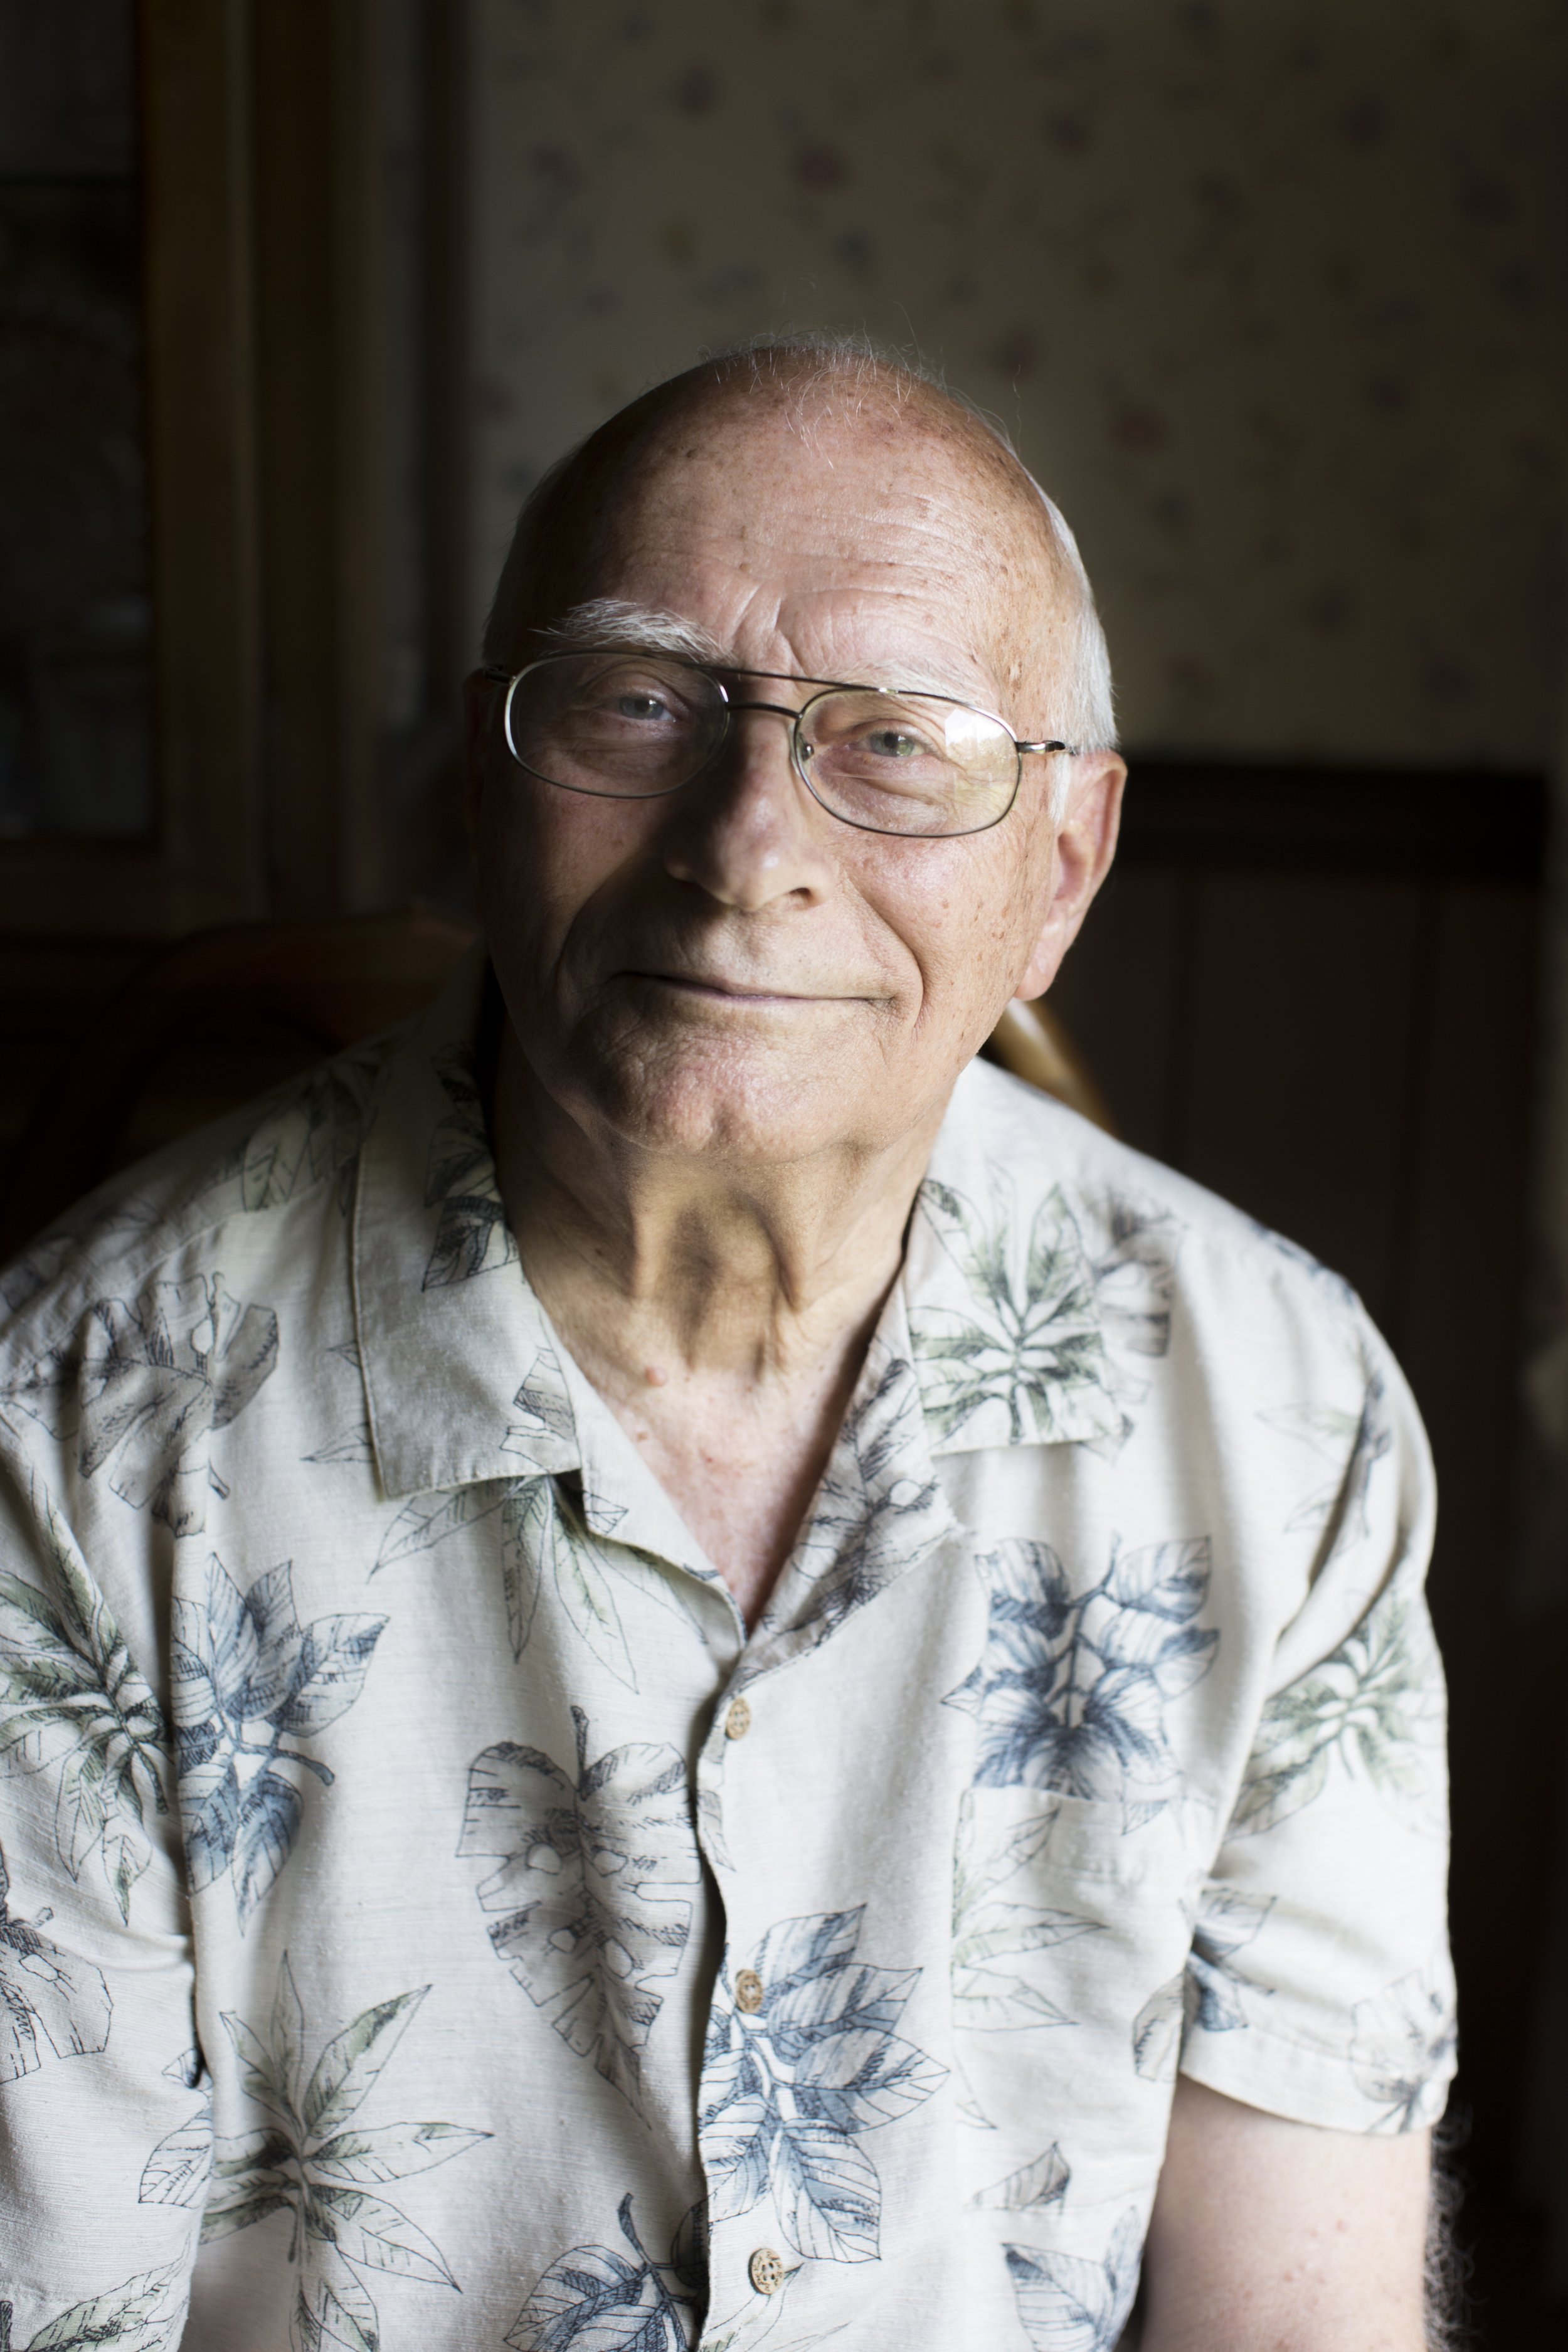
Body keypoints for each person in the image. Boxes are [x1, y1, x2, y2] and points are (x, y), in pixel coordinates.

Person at [0, 339, 1452, 2351]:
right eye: (633, 702)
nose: (740, 842)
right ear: (475, 791)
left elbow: (1294, 2318)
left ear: (1062, 870)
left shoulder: (1284, 1418)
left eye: (898, 740)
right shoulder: (68, 1430)